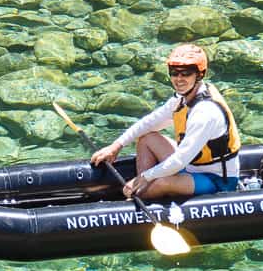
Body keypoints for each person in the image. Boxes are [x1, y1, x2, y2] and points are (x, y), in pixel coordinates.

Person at [90, 43, 242, 200]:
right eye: (174, 73)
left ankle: (138, 196)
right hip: (190, 167)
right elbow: (150, 122)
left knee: (162, 183)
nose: (179, 79)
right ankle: (142, 192)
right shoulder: (182, 98)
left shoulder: (204, 112)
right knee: (147, 138)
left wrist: (144, 177)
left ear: (200, 75)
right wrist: (116, 146)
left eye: (186, 73)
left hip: (215, 180)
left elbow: (180, 160)